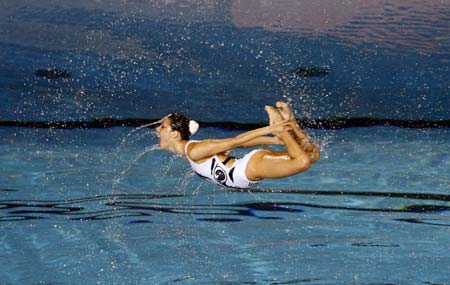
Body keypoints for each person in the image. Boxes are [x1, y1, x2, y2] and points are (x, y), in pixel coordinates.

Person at [156, 102, 320, 188]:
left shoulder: (194, 150)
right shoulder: (190, 151)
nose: (157, 129)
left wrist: (271, 129)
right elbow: (239, 145)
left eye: (162, 126)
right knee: (313, 155)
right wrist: (274, 140)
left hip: (248, 168)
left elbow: (236, 141)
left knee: (302, 161)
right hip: (247, 171)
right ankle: (292, 124)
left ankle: (280, 123)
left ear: (174, 133)